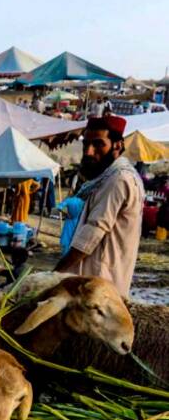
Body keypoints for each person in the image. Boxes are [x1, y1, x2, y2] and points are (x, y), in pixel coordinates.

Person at [55, 115, 144, 296]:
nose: (88, 152)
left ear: (117, 145)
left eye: (98, 144)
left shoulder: (118, 179)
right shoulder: (108, 178)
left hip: (98, 288)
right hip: (96, 284)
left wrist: (55, 274)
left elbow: (92, 232)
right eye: (86, 144)